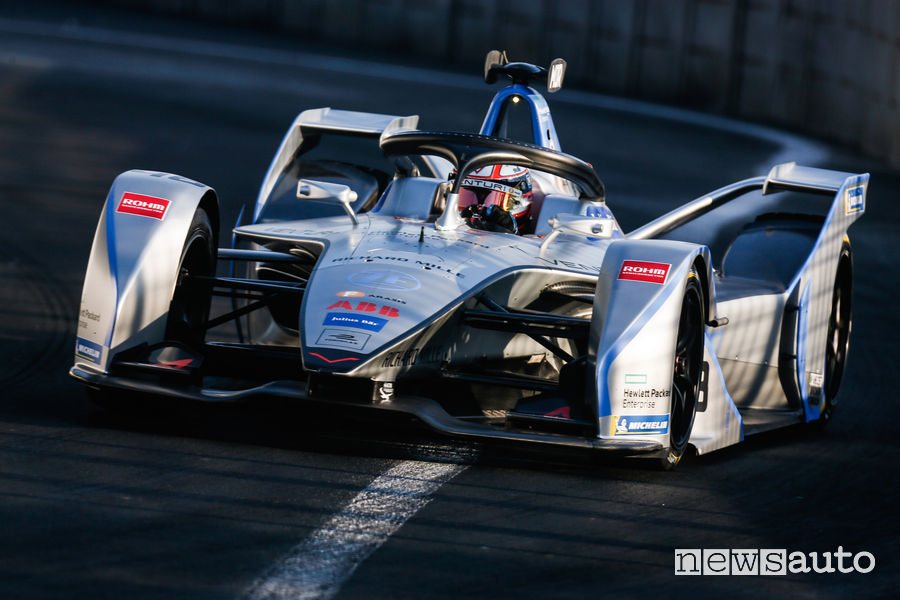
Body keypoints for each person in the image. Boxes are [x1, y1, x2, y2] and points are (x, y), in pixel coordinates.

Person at [455, 164, 535, 234]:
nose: (478, 212)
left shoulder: (540, 243)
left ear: (520, 201)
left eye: (493, 201)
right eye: (466, 197)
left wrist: (509, 232)